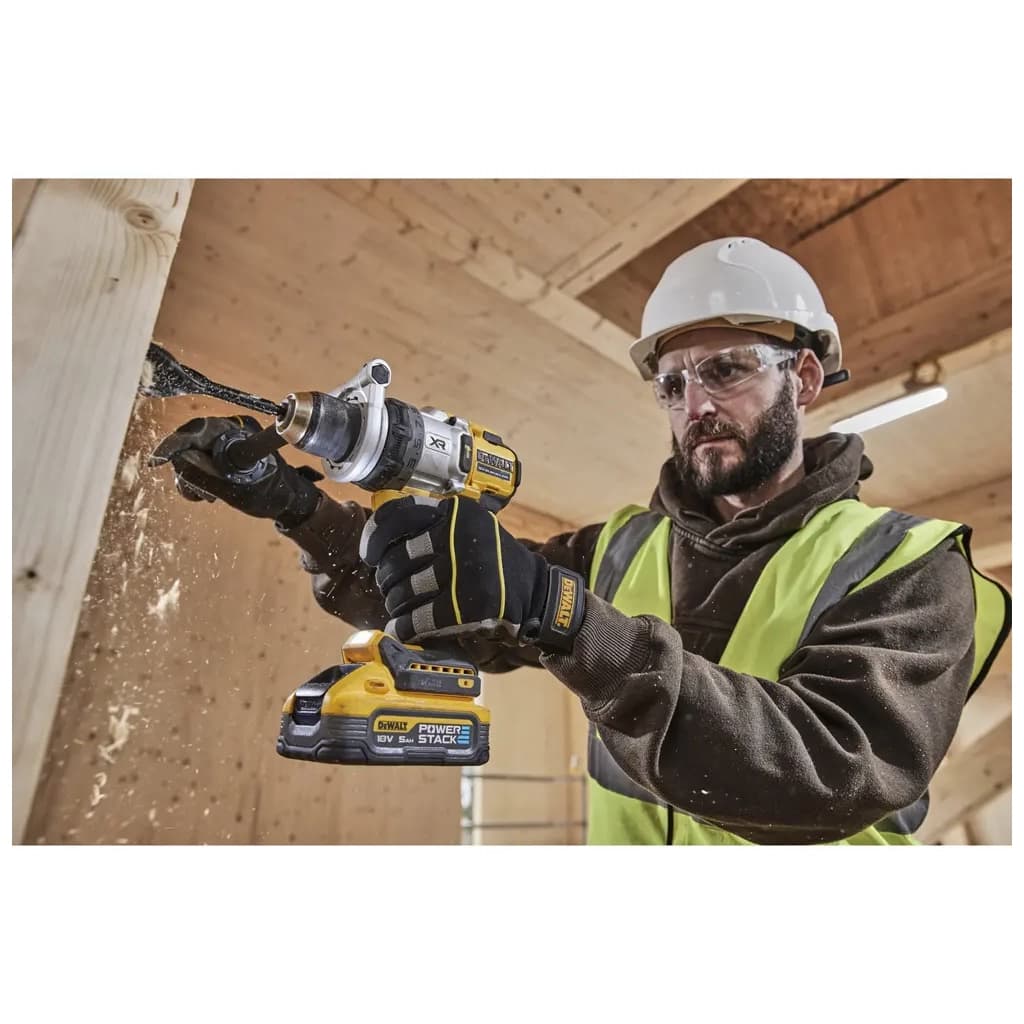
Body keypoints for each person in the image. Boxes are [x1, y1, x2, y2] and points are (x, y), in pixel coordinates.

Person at [153, 236, 1010, 845]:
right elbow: (439, 596)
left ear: (806, 377)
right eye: (672, 385)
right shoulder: (621, 548)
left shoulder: (909, 564)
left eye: (726, 370)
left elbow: (833, 769)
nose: (695, 405)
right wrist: (298, 509)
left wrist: (568, 619)